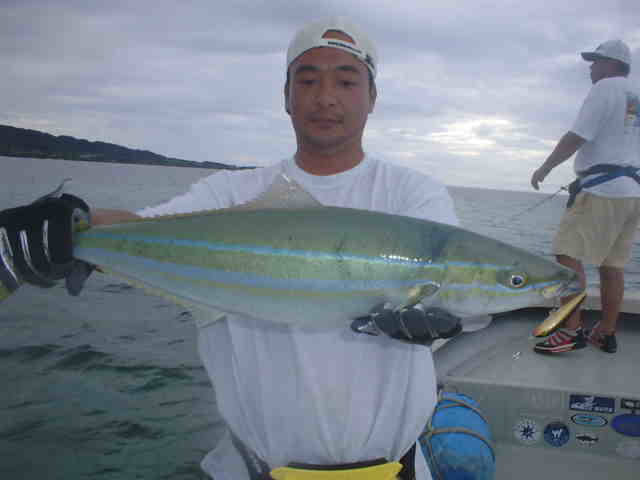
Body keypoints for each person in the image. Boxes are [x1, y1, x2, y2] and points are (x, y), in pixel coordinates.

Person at [0, 18, 459, 480]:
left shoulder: (413, 196)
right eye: (307, 80)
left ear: (372, 97)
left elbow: (454, 286)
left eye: (345, 81)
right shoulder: (230, 193)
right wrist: (70, 225)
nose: (325, 97)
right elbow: (141, 230)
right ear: (286, 97)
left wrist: (442, 314)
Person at [530, 39, 640, 355]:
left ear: (612, 64)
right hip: (633, 192)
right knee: (612, 265)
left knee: (566, 255)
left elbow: (578, 135)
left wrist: (545, 167)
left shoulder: (605, 89)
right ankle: (605, 333)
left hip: (602, 190)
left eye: (596, 61)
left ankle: (570, 331)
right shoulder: (635, 94)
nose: (591, 67)